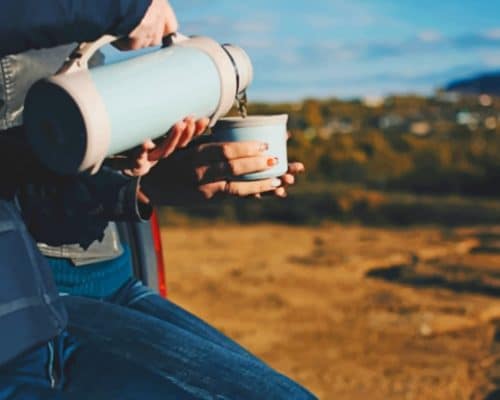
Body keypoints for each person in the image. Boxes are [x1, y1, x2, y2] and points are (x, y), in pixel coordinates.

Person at [0, 1, 316, 398]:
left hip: (109, 268)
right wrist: (125, 8)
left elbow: (28, 162)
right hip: (36, 285)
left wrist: (145, 183)